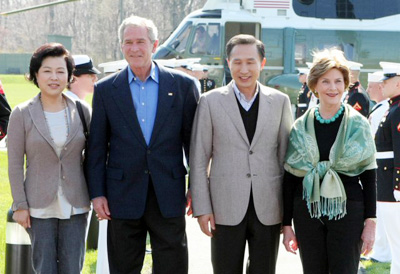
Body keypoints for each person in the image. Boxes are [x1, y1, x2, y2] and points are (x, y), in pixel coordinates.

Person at [86, 15, 199, 274]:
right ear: (122, 46)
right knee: (123, 267)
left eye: (140, 41)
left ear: (155, 44)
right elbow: (96, 147)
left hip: (168, 193)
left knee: (173, 266)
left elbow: (194, 145)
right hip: (121, 195)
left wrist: (196, 187)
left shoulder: (182, 86)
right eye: (128, 42)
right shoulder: (105, 90)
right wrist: (98, 193)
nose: (134, 48)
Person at [190, 34, 293, 274]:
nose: (243, 69)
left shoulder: (280, 101)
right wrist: (203, 208)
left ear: (262, 64)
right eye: (237, 62)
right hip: (224, 208)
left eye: (250, 62)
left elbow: (285, 159)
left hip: (268, 207)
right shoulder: (210, 102)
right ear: (228, 63)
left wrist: (286, 213)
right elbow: (198, 159)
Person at [282, 48, 377, 274]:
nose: (332, 88)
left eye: (338, 81)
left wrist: (370, 223)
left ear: (345, 85)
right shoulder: (300, 127)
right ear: (314, 85)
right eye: (325, 81)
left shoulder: (358, 125)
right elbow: (290, 178)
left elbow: (370, 175)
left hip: (349, 212)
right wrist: (287, 225)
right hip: (306, 212)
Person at [7, 43, 91, 273]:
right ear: (35, 74)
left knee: (73, 267)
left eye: (60, 71)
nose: (54, 77)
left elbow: (93, 158)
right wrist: (20, 205)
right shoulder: (22, 113)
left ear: (69, 76)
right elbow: (14, 164)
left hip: (76, 204)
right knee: (44, 268)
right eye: (47, 71)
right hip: (37, 207)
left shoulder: (83, 110)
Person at [374, 62, 400, 274]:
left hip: (392, 181)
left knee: (397, 238)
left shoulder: (398, 110)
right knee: (394, 239)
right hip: (385, 179)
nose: (381, 84)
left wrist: (398, 184)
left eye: (386, 81)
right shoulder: (392, 107)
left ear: (398, 83)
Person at [365, 70, 391, 263]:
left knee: (383, 213)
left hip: (385, 169)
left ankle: (383, 253)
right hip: (380, 166)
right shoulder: (382, 108)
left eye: (372, 86)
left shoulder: (385, 109)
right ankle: (382, 252)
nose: (368, 90)